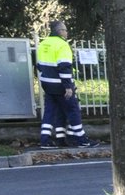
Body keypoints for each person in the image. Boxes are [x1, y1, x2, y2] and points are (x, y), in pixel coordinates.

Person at [35, 20, 90, 148]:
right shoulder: (62, 45)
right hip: (60, 85)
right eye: (65, 30)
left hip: (47, 84)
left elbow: (39, 65)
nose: (67, 32)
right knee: (73, 109)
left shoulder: (43, 44)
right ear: (60, 31)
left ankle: (46, 140)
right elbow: (64, 67)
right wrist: (68, 86)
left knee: (50, 112)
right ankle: (81, 139)